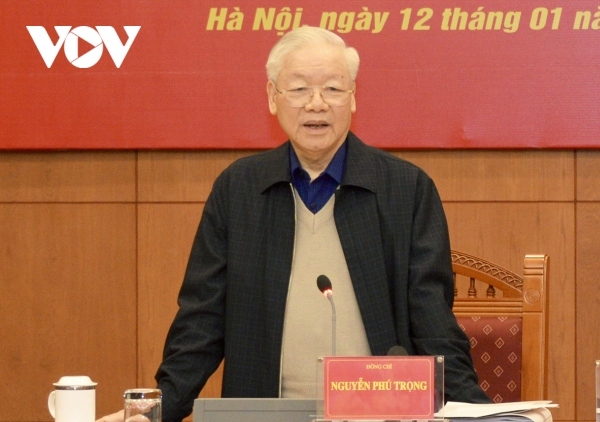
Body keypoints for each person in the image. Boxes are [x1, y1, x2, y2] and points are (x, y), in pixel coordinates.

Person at [98, 26, 489, 422]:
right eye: (299, 89)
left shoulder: (405, 190)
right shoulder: (240, 190)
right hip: (264, 415)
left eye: (333, 90)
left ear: (353, 98)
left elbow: (434, 324)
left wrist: (477, 413)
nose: (316, 104)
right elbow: (201, 322)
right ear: (272, 98)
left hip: (378, 415)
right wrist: (153, 412)